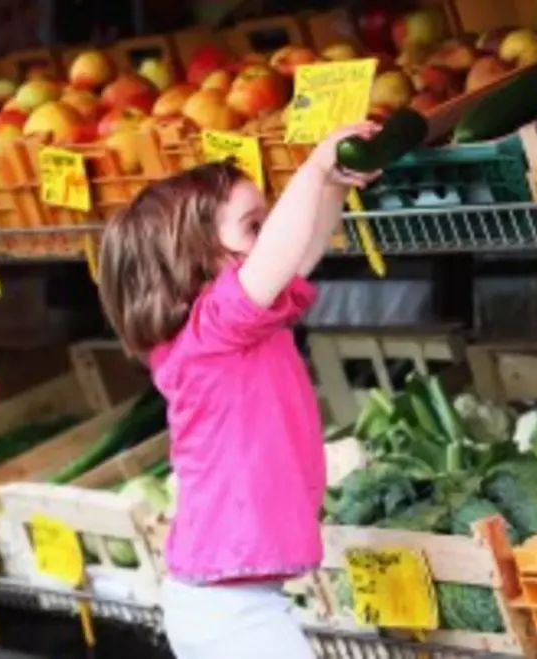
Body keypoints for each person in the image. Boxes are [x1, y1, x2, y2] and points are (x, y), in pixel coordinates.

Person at [96, 123, 381, 659]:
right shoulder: (210, 334)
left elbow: (295, 256)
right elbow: (279, 256)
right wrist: (315, 167)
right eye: (255, 226)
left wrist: (334, 187)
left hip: (227, 600)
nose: (272, 234)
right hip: (229, 611)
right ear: (196, 261)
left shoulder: (228, 327)